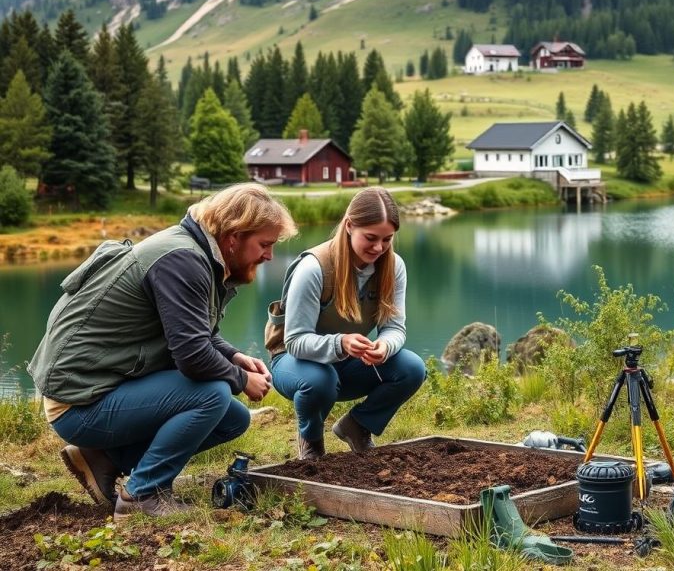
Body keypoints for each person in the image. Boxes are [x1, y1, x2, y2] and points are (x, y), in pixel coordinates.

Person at [29, 183, 297, 518]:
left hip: (102, 389)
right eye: (265, 244)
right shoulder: (182, 261)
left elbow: (195, 333)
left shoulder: (194, 252)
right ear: (234, 236)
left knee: (233, 419)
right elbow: (192, 356)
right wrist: (240, 378)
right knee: (213, 393)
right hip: (80, 403)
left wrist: (232, 356)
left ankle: (101, 460)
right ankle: (142, 496)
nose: (269, 255)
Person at [268, 186, 425, 460]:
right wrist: (340, 342)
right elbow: (294, 341)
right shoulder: (313, 268)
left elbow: (394, 328)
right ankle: (311, 440)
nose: (379, 247)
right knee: (320, 380)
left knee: (411, 368)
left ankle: (357, 426)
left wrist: (385, 346)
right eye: (371, 238)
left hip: (348, 362)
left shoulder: (394, 266)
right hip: (294, 363)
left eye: (387, 239)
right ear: (350, 226)